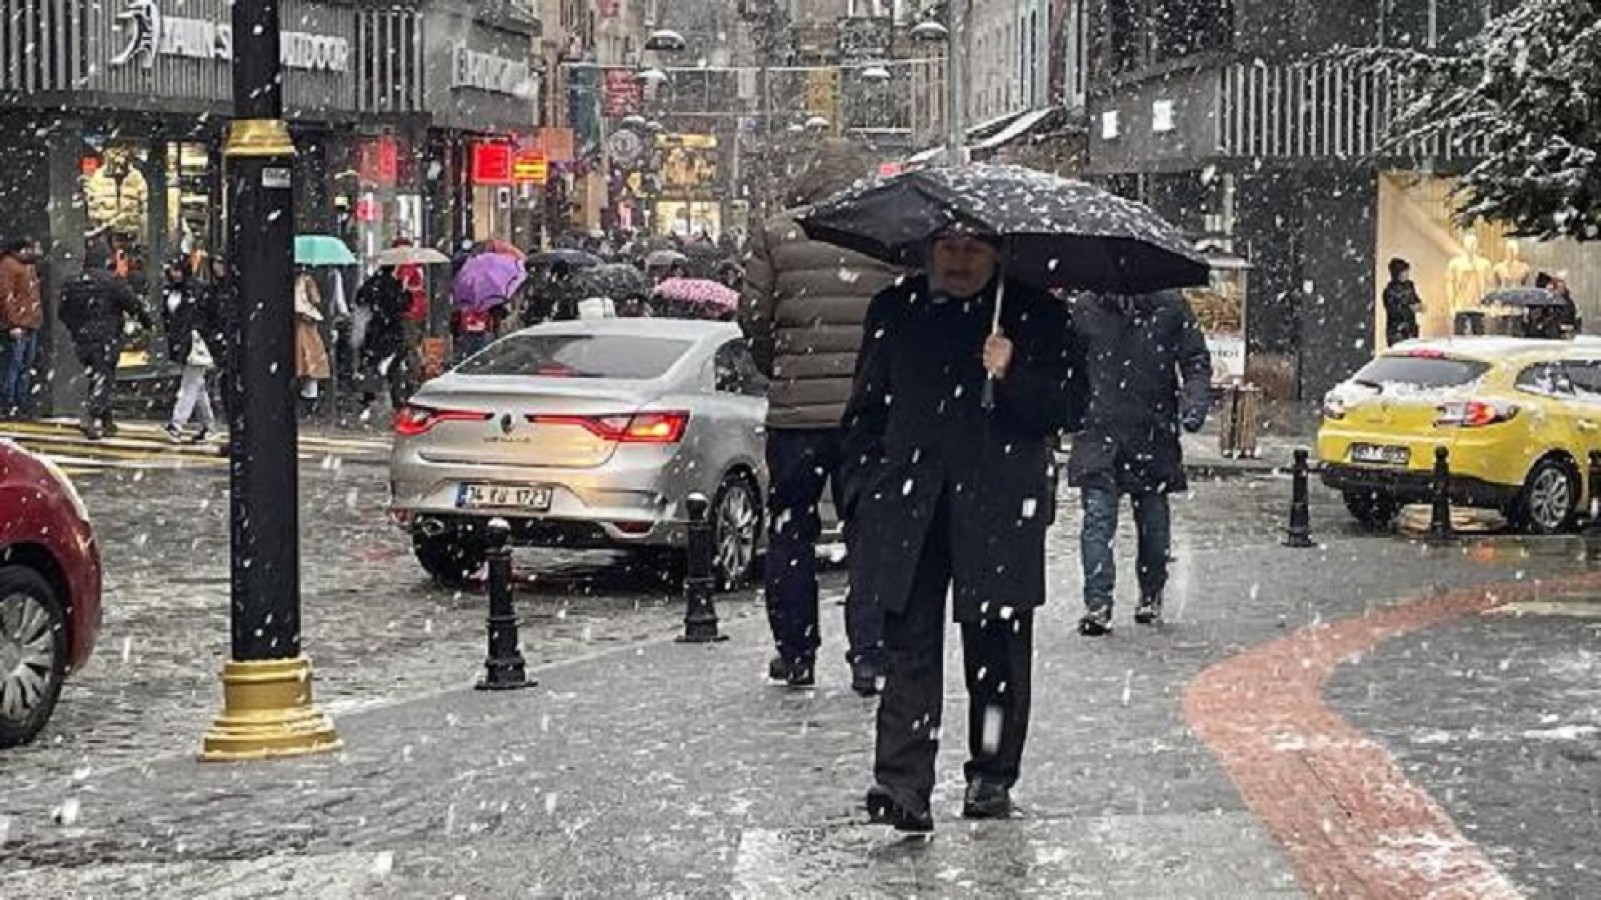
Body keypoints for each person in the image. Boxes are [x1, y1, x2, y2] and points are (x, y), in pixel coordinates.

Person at [843, 227, 1079, 832]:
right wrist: (863, 493)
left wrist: (1010, 373)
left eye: (973, 247)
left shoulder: (1036, 313)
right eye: (947, 246)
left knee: (995, 652)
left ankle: (991, 776)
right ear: (926, 250)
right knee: (909, 647)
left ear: (999, 253)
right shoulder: (896, 308)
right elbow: (866, 409)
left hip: (1000, 508)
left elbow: (1069, 406)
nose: (958, 259)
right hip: (910, 504)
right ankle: (902, 784)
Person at [741, 139, 900, 695]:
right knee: (870, 535)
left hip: (796, 417)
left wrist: (782, 369)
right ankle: (870, 657)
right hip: (869, 414)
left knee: (791, 532)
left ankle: (796, 651)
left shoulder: (778, 233)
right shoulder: (883, 230)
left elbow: (755, 319)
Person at [1069, 290, 1212, 637]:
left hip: (1150, 431)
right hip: (1099, 431)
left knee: (1153, 524)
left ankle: (1150, 593)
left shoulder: (1170, 307)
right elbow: (1067, 365)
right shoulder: (1086, 309)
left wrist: (1194, 401)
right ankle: (1097, 604)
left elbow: (1195, 360)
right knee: (1098, 521)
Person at [59, 244, 151, 440]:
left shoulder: (73, 282)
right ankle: (92, 417)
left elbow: (63, 311)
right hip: (106, 336)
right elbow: (132, 304)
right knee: (104, 375)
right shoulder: (113, 282)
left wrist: (76, 329)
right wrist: (146, 322)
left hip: (82, 337)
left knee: (98, 374)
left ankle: (107, 420)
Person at [160, 258, 218, 443]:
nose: (175, 274)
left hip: (196, 343)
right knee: (196, 385)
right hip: (184, 343)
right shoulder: (171, 290)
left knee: (189, 385)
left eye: (178, 270)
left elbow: (208, 316)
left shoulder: (198, 289)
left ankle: (176, 425)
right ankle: (208, 425)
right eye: (172, 270)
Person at [355, 266, 409, 416]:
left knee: (371, 363)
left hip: (375, 330)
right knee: (394, 365)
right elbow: (403, 306)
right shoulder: (395, 285)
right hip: (392, 329)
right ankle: (396, 398)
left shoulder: (372, 283)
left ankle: (368, 396)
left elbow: (360, 299)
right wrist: (404, 291)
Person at [0, 238, 43, 419]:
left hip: (28, 322)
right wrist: (12, 322)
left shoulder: (26, 266)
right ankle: (10, 403)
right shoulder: (10, 266)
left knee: (22, 365)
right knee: (15, 365)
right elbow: (5, 296)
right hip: (20, 324)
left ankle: (19, 402)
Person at [294, 269, 332, 417]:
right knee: (310, 363)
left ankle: (307, 398)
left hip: (300, 326)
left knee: (305, 363)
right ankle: (309, 400)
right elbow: (316, 299)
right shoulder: (308, 280)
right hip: (307, 326)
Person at [1383, 257, 1422, 346]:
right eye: (1404, 272)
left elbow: (1415, 299)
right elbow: (1393, 311)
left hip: (1411, 329)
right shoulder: (1390, 291)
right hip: (1397, 332)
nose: (1407, 274)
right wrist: (1409, 308)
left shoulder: (1409, 286)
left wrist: (1418, 305)